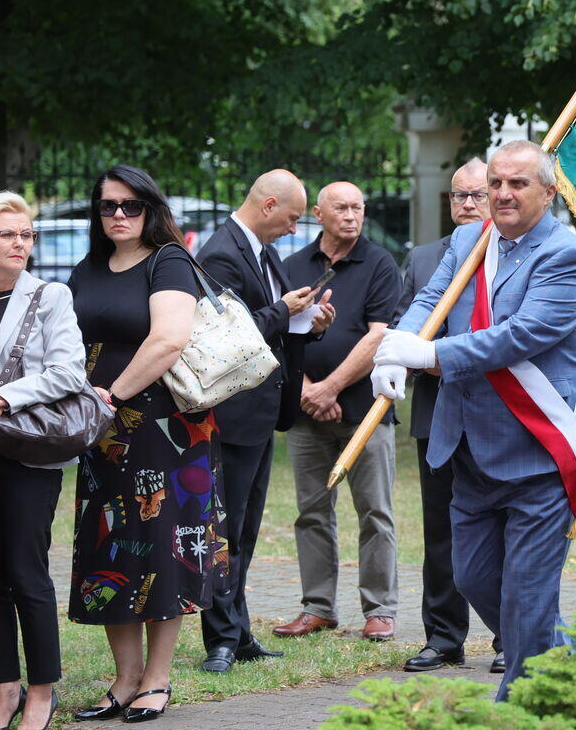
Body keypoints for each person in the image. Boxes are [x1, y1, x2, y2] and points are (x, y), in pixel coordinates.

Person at [373, 140, 576, 700]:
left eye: (517, 183)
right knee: (473, 577)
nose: (502, 194)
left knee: (526, 595)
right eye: (495, 182)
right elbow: (431, 299)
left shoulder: (565, 254)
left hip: (536, 449)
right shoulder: (470, 239)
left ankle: (523, 703)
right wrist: (397, 348)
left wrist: (432, 355)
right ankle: (563, 658)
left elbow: (523, 335)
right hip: (469, 446)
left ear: (548, 193)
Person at [67, 165, 225, 722]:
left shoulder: (169, 261)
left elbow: (168, 340)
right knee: (110, 545)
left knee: (162, 544)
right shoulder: (88, 267)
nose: (118, 215)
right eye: (107, 205)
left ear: (150, 209)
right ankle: (125, 678)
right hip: (101, 430)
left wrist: (110, 396)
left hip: (164, 429)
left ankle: (157, 679)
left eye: (131, 205)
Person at [195, 169, 334, 673]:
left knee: (246, 529)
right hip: (232, 414)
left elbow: (273, 327)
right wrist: (282, 309)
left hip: (261, 412)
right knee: (224, 529)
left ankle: (239, 631)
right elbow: (224, 337)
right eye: (292, 218)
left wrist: (309, 323)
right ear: (269, 205)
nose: (295, 229)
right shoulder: (220, 253)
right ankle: (220, 638)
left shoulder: (262, 251)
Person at [0, 192, 84, 730]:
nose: (20, 243)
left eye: (26, 235)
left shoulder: (50, 296)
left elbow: (70, 372)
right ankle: (6, 689)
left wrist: (1, 398)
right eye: (7, 234)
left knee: (25, 570)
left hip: (25, 449)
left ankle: (41, 692)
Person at [274, 182, 402, 642]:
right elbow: (276, 335)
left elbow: (378, 336)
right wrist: (307, 390)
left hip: (365, 412)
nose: (351, 216)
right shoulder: (292, 266)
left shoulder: (380, 263)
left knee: (376, 513)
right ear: (318, 213)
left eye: (357, 208)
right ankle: (318, 607)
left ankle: (380, 610)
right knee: (311, 512)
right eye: (342, 208)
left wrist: (330, 388)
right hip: (305, 412)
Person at [394, 159, 504, 674]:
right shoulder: (423, 258)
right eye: (459, 195)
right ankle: (443, 637)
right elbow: (405, 323)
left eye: (477, 195)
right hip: (437, 412)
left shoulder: (514, 252)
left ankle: (509, 636)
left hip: (500, 412)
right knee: (441, 530)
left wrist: (445, 353)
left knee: (502, 526)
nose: (467, 204)